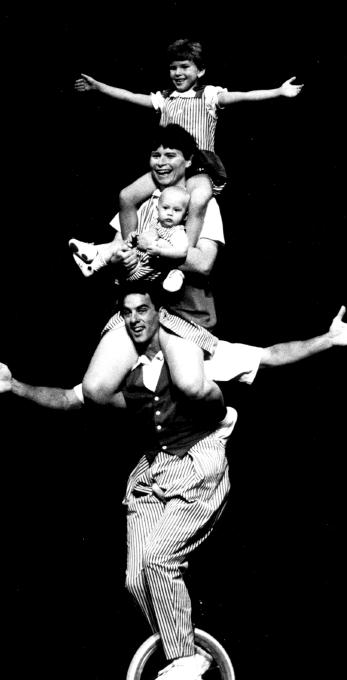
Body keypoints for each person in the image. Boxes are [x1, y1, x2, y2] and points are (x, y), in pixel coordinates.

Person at [0, 283, 347, 680]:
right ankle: (185, 658)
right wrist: (15, 386)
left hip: (199, 465)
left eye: (143, 309)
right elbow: (70, 399)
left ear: (158, 312)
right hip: (153, 470)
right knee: (135, 579)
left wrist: (329, 339)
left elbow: (270, 355)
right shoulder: (120, 367)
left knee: (160, 559)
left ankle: (184, 660)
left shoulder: (194, 353)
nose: (136, 319)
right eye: (127, 312)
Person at [75, 38, 303, 247]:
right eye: (173, 67)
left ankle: (185, 250)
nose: (178, 73)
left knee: (199, 198)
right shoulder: (165, 99)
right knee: (126, 196)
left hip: (199, 167)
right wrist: (99, 87)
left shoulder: (209, 96)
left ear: (200, 70)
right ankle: (128, 249)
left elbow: (243, 95)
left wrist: (278, 91)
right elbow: (129, 96)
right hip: (170, 168)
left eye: (185, 67)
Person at [80, 124, 226, 415]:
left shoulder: (202, 203)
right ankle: (159, 419)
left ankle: (220, 419)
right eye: (155, 155)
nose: (161, 162)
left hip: (181, 311)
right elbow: (119, 248)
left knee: (191, 386)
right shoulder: (141, 202)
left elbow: (204, 263)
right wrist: (121, 258)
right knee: (95, 390)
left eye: (170, 155)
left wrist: (152, 250)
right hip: (140, 307)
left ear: (188, 161)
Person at [70, 185, 190, 293]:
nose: (170, 213)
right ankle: (92, 265)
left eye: (176, 210)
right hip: (134, 262)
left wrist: (160, 251)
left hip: (147, 271)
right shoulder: (155, 222)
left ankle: (94, 253)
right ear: (157, 209)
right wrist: (134, 237)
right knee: (119, 246)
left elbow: (182, 252)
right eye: (165, 208)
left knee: (168, 265)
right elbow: (143, 238)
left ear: (185, 215)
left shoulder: (177, 232)